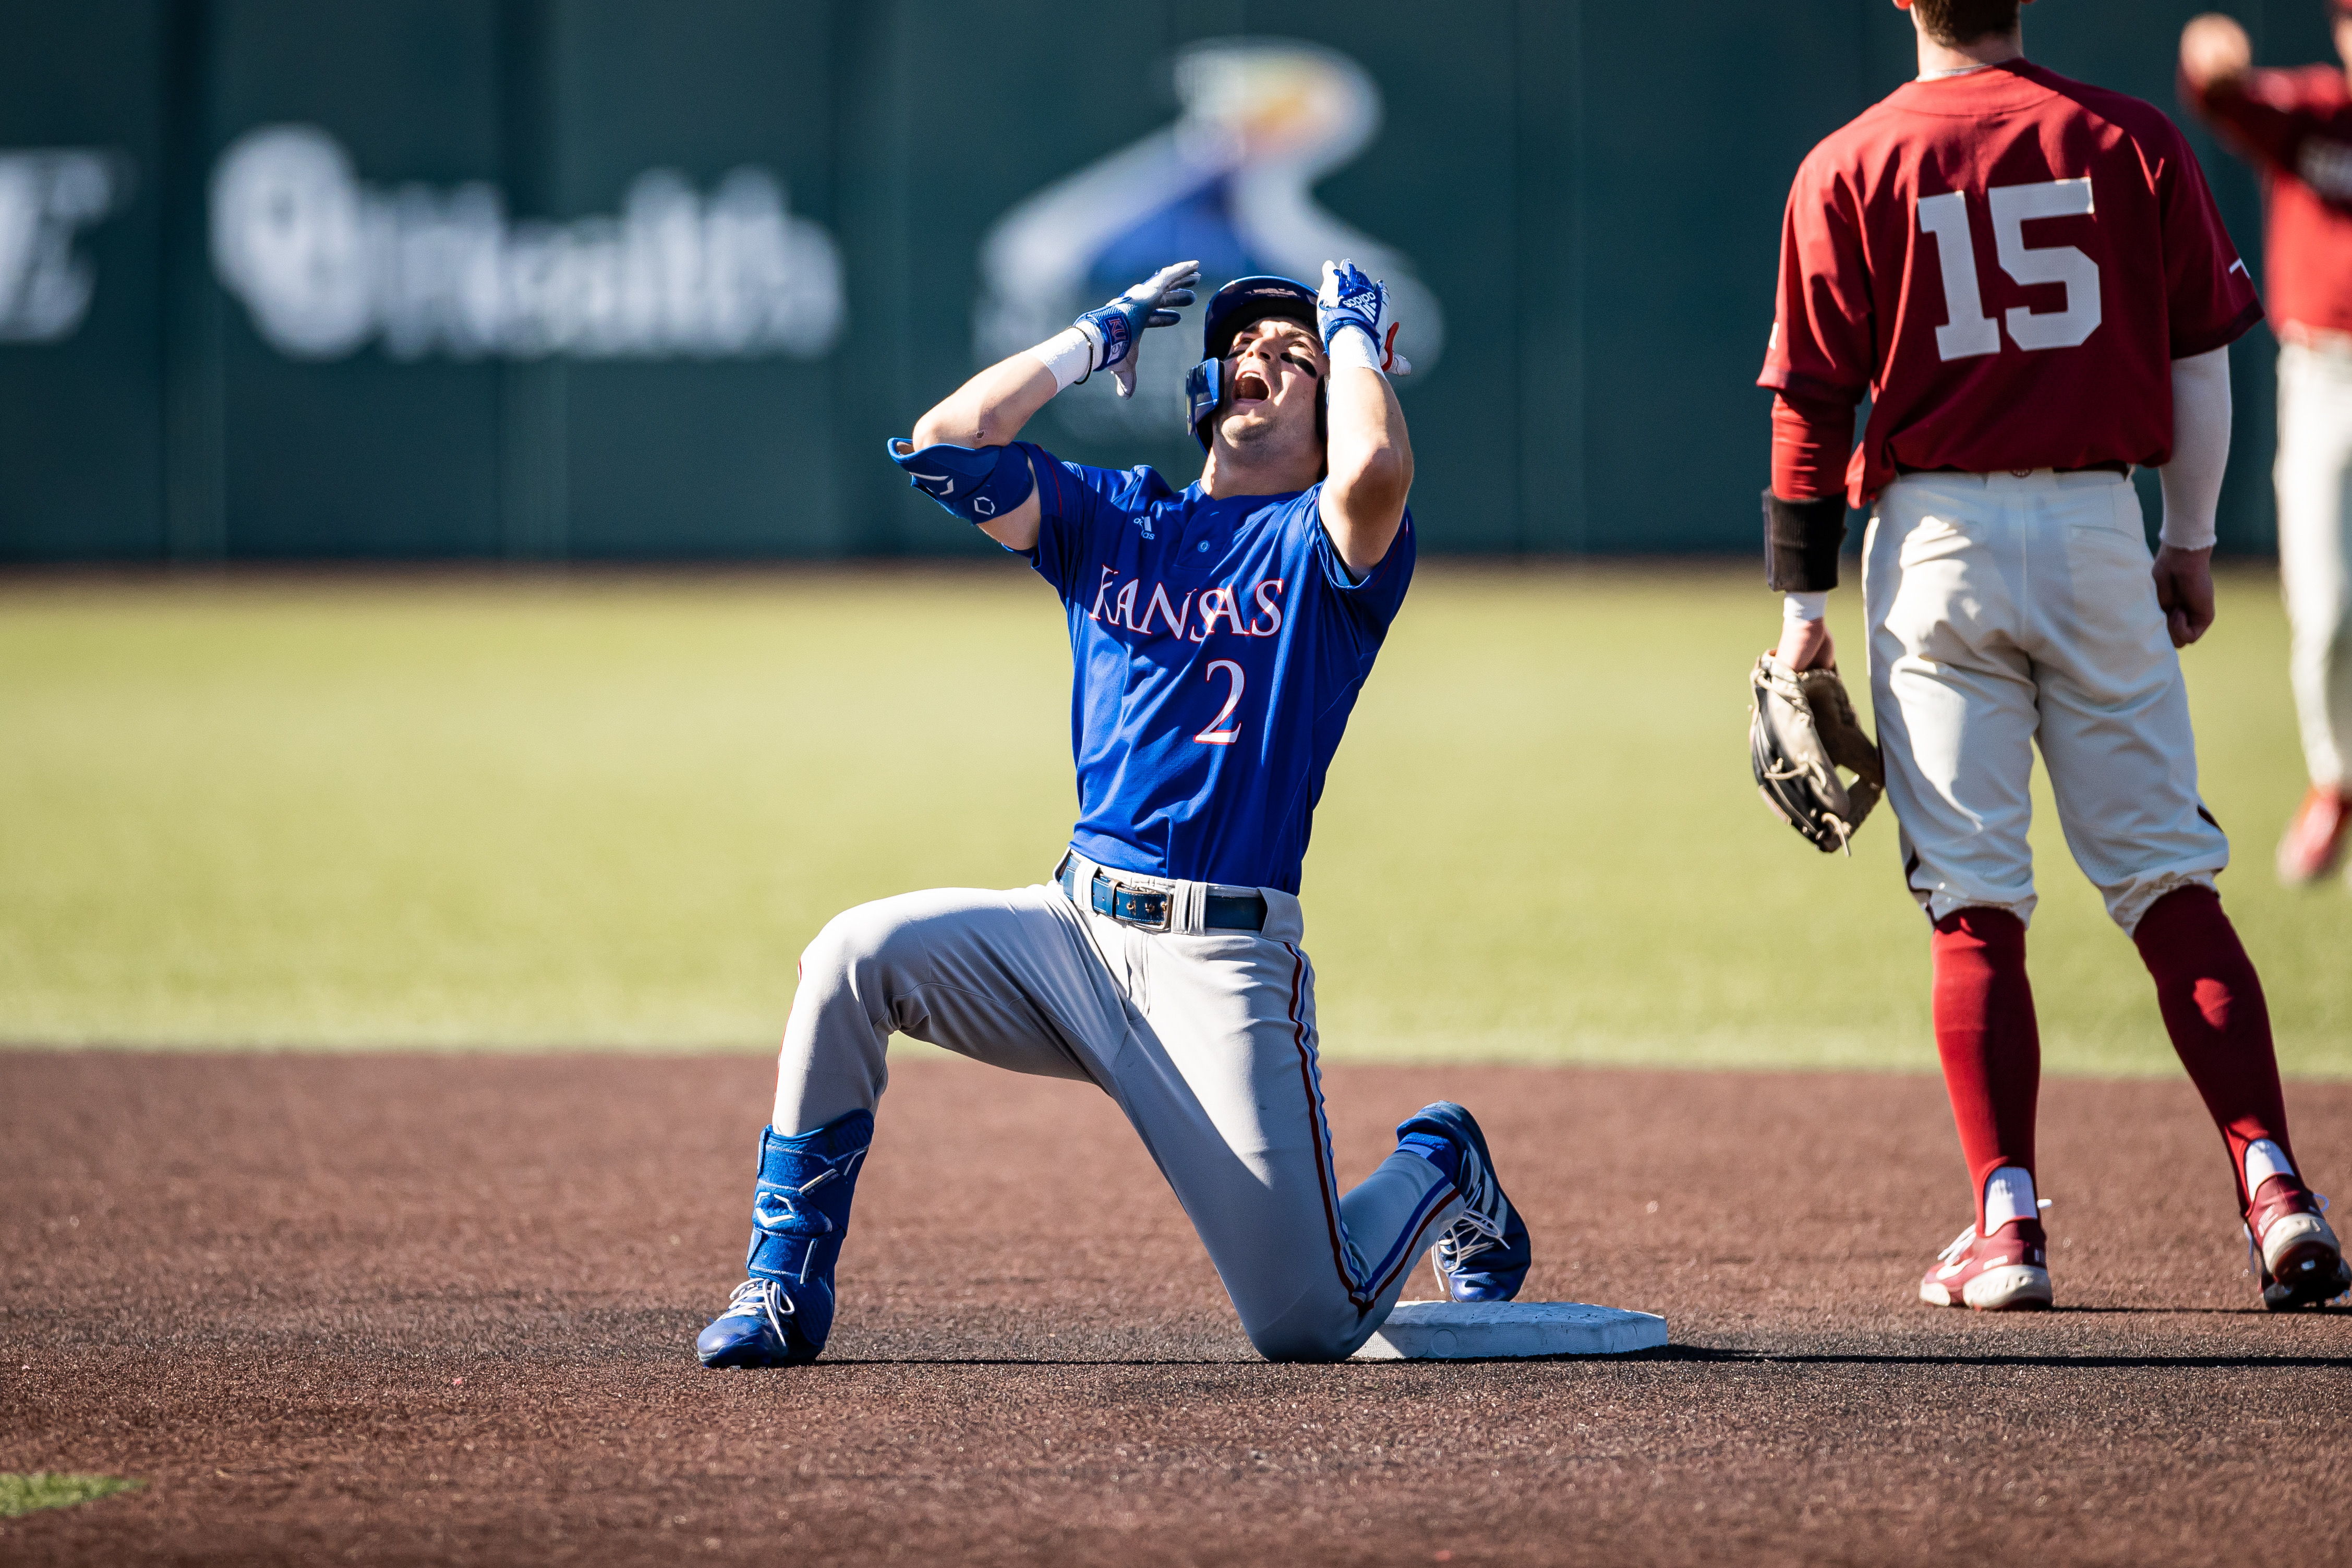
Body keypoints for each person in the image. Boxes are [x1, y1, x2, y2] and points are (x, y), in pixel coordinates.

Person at [692, 257, 1532, 1368]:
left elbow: (1375, 465)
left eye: (1291, 356)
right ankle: (780, 1286)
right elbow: (948, 446)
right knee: (852, 955)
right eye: (1240, 350)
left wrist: (1354, 336)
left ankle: (1438, 1162)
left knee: (1307, 1322)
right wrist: (1087, 342)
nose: (1256, 361)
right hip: (1070, 935)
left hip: (1220, 965)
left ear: (1331, 402)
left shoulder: (1333, 552)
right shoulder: (1119, 519)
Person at [1756, 0, 2348, 1310]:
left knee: (1973, 899)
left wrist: (1798, 613)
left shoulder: (1847, 161)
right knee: (2165, 882)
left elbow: (1811, 406)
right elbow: (2202, 356)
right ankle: (2275, 1192)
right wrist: (2187, 542)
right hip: (2094, 526)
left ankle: (2006, 1224)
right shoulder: (2126, 138)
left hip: (1935, 541)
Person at [2179, 5, 2352, 886]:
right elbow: (2218, 89)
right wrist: (2210, 50)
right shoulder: (2314, 113)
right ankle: (2335, 781)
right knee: (2323, 611)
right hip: (2323, 374)